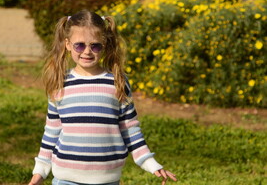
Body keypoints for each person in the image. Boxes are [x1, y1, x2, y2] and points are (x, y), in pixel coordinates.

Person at [28, 10, 177, 185]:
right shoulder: (60, 84)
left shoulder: (118, 82)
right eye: (80, 45)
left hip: (108, 179)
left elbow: (130, 129)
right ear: (67, 44)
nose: (87, 52)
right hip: (65, 178)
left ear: (105, 44)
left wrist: (150, 164)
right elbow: (51, 133)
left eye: (95, 45)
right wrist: (40, 172)